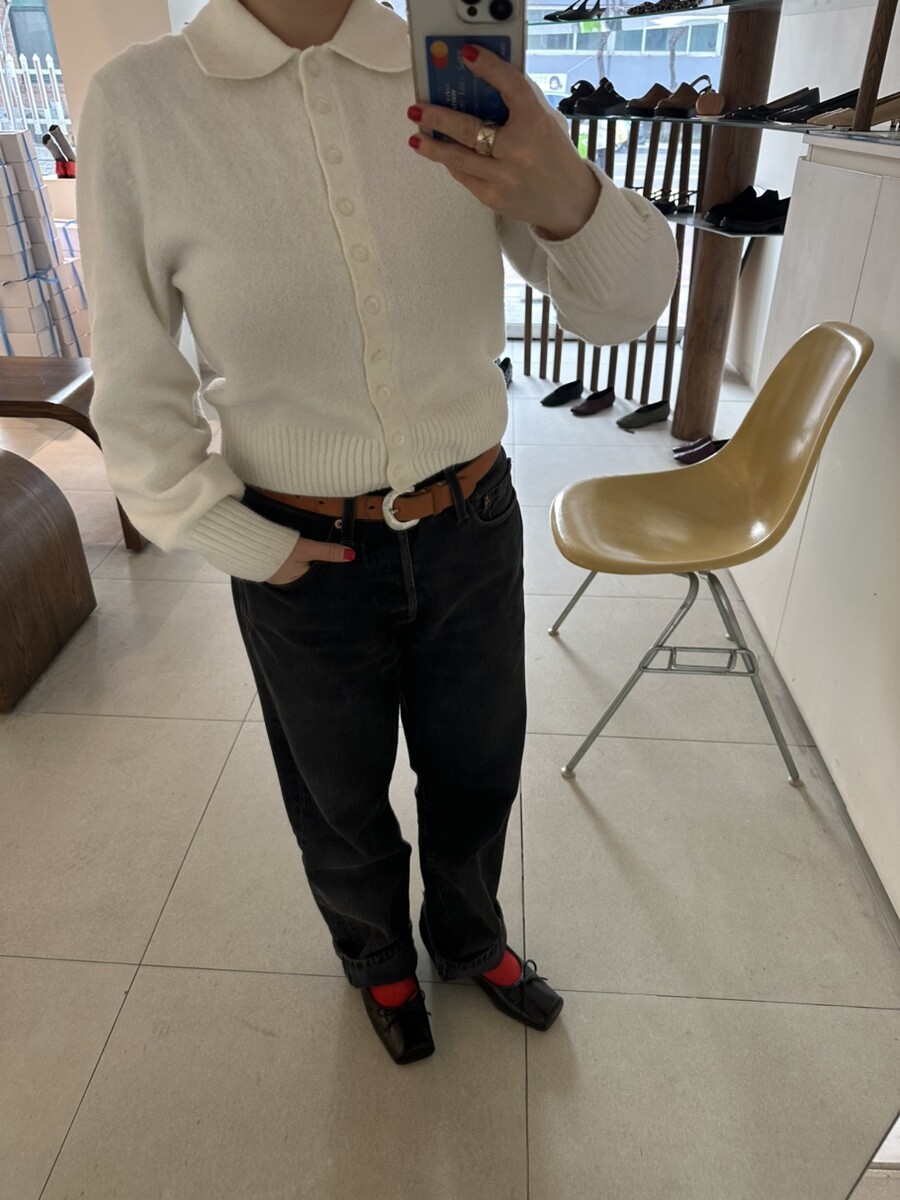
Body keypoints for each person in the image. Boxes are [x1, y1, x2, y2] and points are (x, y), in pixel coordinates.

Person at [77, 0, 677, 1066]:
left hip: (472, 522)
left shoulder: (445, 68)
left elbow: (628, 307)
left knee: (479, 769)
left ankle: (469, 936)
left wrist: (566, 191)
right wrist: (227, 532)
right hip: (300, 550)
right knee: (337, 795)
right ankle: (378, 959)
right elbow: (133, 370)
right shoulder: (143, 102)